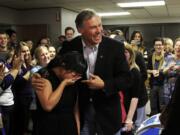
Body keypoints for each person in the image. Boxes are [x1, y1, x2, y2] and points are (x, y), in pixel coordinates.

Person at [59, 9, 131, 135]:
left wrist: (104, 85)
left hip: (107, 114)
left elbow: (126, 78)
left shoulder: (115, 47)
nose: (99, 31)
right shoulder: (69, 46)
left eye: (100, 25)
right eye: (93, 27)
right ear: (80, 29)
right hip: (80, 111)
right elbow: (55, 68)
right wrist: (41, 75)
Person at [31, 51, 87, 135]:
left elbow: (75, 109)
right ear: (64, 67)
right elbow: (48, 106)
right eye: (74, 74)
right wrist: (63, 84)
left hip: (69, 126)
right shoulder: (45, 76)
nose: (75, 78)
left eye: (79, 76)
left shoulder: (73, 80)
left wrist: (78, 131)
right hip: (49, 127)